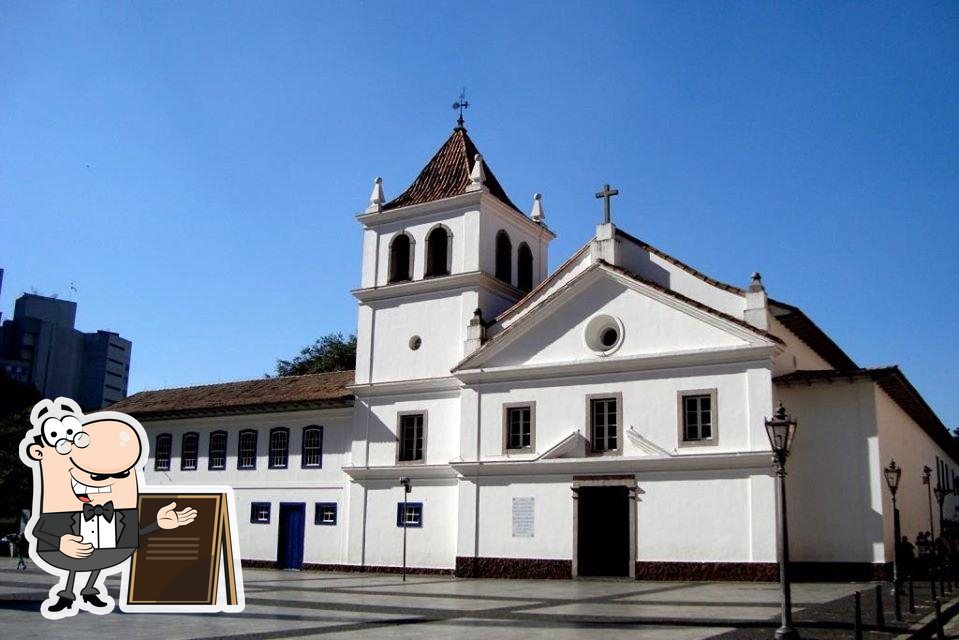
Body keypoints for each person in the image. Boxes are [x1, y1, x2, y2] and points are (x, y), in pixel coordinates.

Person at [19, 397, 196, 619]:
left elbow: (131, 536)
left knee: (97, 558)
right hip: (67, 549)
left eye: (121, 473)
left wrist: (158, 524)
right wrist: (59, 541)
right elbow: (38, 531)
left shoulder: (119, 511)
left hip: (104, 551)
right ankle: (68, 593)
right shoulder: (61, 508)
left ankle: (90, 589)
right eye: (97, 475)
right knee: (80, 559)